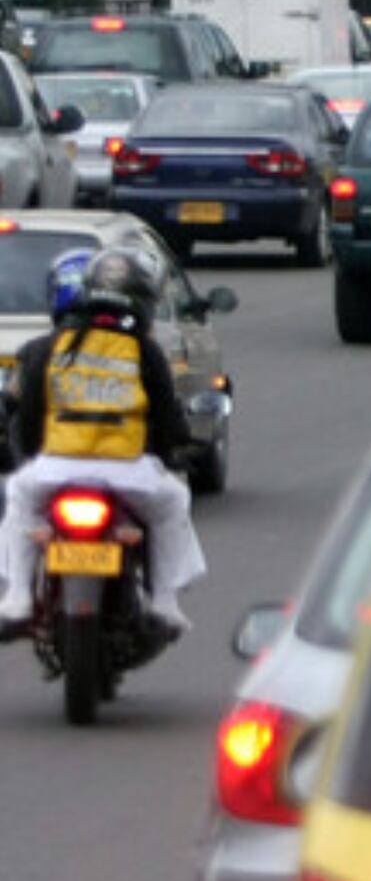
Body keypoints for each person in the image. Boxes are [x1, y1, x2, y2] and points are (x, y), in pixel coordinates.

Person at [0, 246, 204, 638]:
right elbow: (166, 418)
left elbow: (28, 417)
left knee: (20, 499)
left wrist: (29, 458)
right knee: (174, 501)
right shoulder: (145, 351)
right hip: (128, 471)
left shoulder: (49, 346)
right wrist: (175, 455)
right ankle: (164, 602)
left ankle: (19, 596)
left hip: (56, 467)